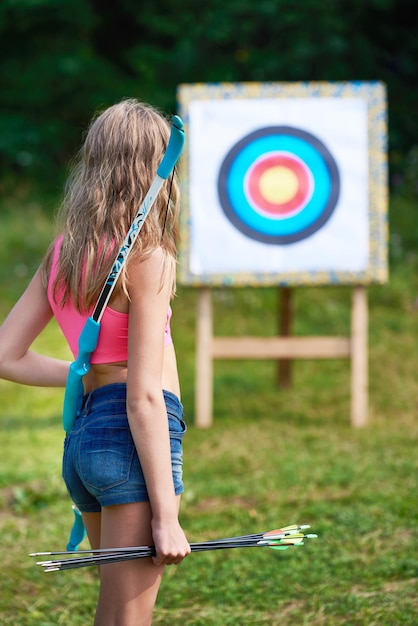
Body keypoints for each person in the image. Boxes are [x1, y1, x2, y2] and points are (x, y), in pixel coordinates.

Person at [0, 99, 191, 625]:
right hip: (129, 441)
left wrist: (84, 377)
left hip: (84, 439)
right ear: (158, 170)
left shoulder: (63, 251)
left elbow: (5, 355)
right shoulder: (149, 256)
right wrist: (167, 516)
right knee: (126, 620)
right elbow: (144, 396)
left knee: (115, 611)